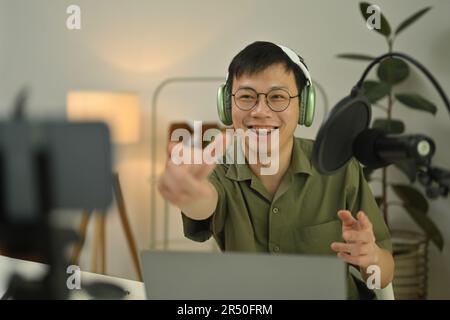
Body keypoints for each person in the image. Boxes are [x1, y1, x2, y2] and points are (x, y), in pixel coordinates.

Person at [157, 41, 394, 299]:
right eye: (246, 97)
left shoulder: (340, 168)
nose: (260, 111)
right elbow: (204, 200)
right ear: (227, 105)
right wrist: (190, 195)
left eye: (277, 97)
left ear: (303, 106)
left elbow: (383, 275)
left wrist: (370, 259)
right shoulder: (219, 167)